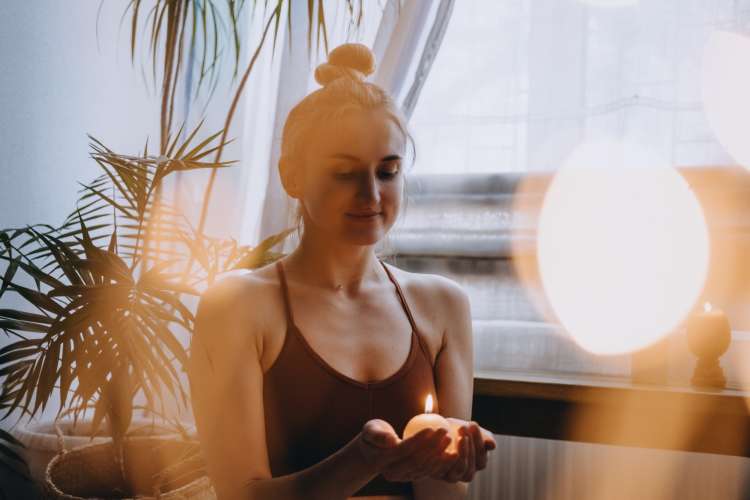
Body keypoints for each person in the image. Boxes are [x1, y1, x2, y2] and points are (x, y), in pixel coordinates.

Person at [187, 43, 497, 500]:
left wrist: (446, 461)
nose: (371, 195)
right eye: (344, 173)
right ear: (292, 176)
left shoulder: (444, 305)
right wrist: (363, 459)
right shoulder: (238, 307)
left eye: (387, 172)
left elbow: (443, 497)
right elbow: (241, 494)